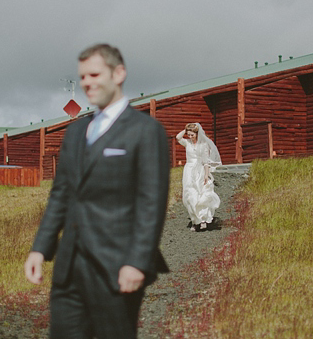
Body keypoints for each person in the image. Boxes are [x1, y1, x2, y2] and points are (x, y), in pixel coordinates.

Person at [24, 43, 170, 338]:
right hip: (69, 268)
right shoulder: (76, 132)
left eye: (94, 74)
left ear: (118, 73)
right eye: (83, 77)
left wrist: (136, 262)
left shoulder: (145, 130)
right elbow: (61, 194)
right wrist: (40, 248)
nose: (87, 83)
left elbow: (151, 202)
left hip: (116, 266)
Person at [176, 122, 221, 232]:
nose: (190, 137)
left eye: (192, 135)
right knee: (190, 194)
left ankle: (203, 220)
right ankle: (194, 220)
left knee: (202, 193)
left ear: (197, 134)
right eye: (189, 135)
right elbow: (178, 137)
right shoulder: (187, 143)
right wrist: (186, 129)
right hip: (189, 171)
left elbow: (206, 162)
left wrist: (206, 175)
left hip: (200, 171)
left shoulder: (203, 145)